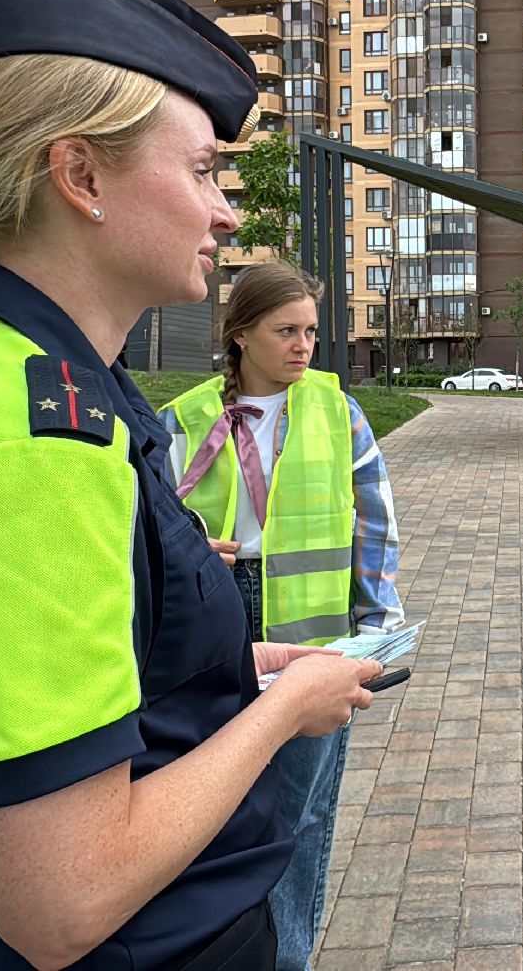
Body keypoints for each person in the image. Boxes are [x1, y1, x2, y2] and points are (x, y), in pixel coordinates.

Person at [0, 0, 382, 971]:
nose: (226, 211)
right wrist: (282, 714)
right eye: (203, 171)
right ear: (82, 175)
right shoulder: (32, 445)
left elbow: (88, 675)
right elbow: (63, 901)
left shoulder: (39, 372)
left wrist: (233, 669)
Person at [159, 261, 405, 971]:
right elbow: (150, 524)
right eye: (286, 331)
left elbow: (375, 520)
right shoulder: (183, 418)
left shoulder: (337, 411)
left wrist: (378, 621)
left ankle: (287, 957)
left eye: (311, 332)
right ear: (240, 335)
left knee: (302, 808)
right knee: (210, 798)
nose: (304, 347)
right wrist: (188, 550)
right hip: (217, 620)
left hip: (315, 628)